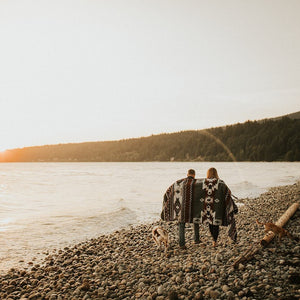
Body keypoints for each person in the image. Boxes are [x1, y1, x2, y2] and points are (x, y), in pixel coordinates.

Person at [193, 167, 238, 247]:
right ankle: (215, 240)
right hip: (218, 207)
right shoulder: (221, 183)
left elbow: (197, 190)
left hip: (208, 207)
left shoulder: (204, 182)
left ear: (208, 173)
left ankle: (214, 240)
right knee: (215, 224)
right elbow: (228, 193)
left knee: (210, 223)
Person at [161, 169, 200, 249]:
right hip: (193, 208)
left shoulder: (178, 182)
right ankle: (196, 240)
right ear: (194, 175)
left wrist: (167, 204)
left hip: (181, 209)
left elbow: (167, 192)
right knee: (196, 221)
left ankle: (182, 244)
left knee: (181, 224)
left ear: (187, 174)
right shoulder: (197, 183)